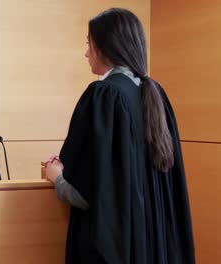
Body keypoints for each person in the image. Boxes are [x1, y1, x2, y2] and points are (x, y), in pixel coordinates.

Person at [42, 8, 195, 264]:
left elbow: (85, 193)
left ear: (104, 46)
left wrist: (56, 176)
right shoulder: (156, 93)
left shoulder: (104, 96)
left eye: (88, 44)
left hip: (116, 247)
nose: (86, 53)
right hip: (154, 242)